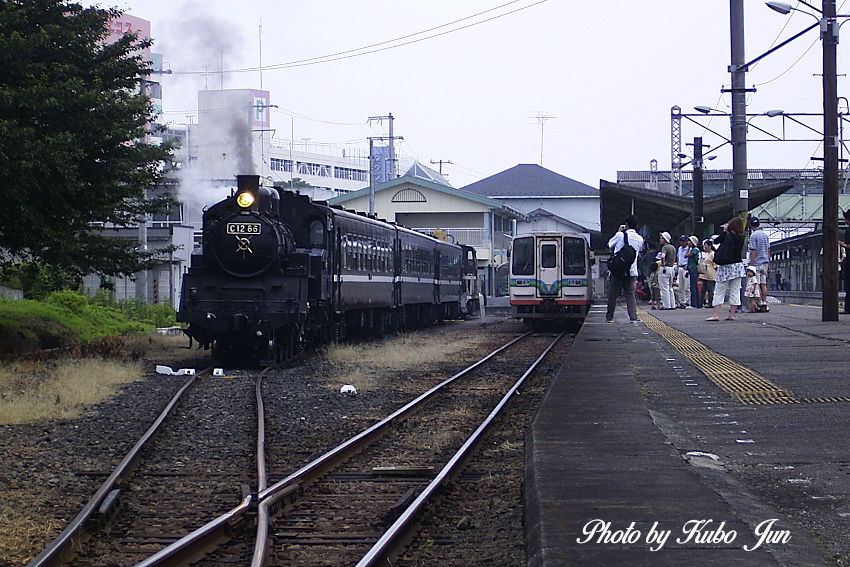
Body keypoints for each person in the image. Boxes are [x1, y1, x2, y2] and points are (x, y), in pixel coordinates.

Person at [706, 217, 746, 321]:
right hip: (737, 267)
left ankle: (715, 314)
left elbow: (716, 241)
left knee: (719, 290)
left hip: (725, 267)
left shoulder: (727, 234)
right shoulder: (742, 237)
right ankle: (731, 315)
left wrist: (725, 231)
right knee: (735, 291)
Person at [606, 215, 645, 323]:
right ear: (637, 226)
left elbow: (609, 245)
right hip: (631, 271)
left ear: (626, 225)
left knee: (612, 294)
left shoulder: (619, 235)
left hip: (617, 270)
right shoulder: (640, 239)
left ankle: (609, 317)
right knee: (630, 294)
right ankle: (633, 317)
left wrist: (618, 232)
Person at [747, 217, 770, 312]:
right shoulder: (765, 235)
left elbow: (753, 251)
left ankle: (759, 303)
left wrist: (751, 265)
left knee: (756, 284)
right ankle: (764, 302)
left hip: (756, 263)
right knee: (763, 284)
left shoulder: (753, 236)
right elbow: (769, 250)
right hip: (765, 262)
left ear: (751, 225)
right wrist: (768, 264)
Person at [658, 232, 677, 310]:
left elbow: (663, 256)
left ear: (665, 239)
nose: (660, 239)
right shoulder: (673, 247)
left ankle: (666, 305)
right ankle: (673, 304)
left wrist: (663, 262)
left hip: (665, 268)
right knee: (670, 287)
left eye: (662, 238)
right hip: (671, 268)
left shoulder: (665, 247)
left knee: (664, 287)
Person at [699, 239, 717, 308]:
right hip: (705, 274)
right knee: (703, 289)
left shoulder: (713, 254)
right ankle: (700, 303)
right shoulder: (707, 254)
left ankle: (711, 303)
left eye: (706, 246)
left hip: (710, 273)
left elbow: (715, 264)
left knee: (710, 290)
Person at [686, 235, 701, 309]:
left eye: (689, 241)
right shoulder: (694, 249)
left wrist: (688, 248)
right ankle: (698, 303)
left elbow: (686, 255)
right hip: (692, 269)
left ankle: (694, 304)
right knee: (694, 286)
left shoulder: (694, 250)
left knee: (693, 286)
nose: (688, 242)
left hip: (693, 269)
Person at [676, 235, 691, 308]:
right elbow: (678, 257)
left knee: (687, 286)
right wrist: (678, 265)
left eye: (683, 241)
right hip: (680, 268)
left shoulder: (689, 249)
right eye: (680, 241)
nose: (681, 242)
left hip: (686, 268)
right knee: (680, 286)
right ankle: (682, 301)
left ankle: (688, 301)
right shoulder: (679, 248)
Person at [840, 210, 850, 313]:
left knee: (848, 286)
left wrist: (843, 245)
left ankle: (848, 308)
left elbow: (849, 245)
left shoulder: (848, 231)